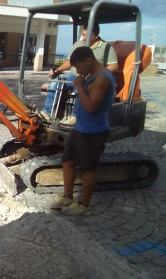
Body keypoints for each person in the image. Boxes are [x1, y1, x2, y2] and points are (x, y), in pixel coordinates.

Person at [50, 46, 116, 215]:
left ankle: (84, 206)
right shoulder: (91, 76)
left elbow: (91, 107)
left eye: (79, 66)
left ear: (89, 60)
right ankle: (67, 196)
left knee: (87, 169)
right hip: (80, 128)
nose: (78, 70)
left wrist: (79, 86)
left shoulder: (102, 79)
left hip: (93, 131)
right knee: (67, 161)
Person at [40, 23, 118, 125]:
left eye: (86, 35)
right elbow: (69, 62)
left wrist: (97, 75)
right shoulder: (78, 44)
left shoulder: (106, 47)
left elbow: (114, 66)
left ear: (95, 35)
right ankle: (47, 112)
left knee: (81, 86)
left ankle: (75, 116)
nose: (84, 37)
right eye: (83, 35)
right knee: (56, 82)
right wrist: (58, 70)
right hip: (73, 75)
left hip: (91, 77)